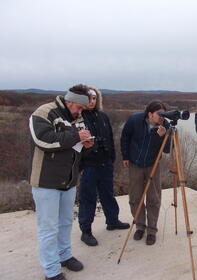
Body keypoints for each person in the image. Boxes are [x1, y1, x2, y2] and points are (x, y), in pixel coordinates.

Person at [29, 86, 94, 280]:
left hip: (69, 180)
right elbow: (43, 140)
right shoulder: (44, 112)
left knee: (66, 222)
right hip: (46, 181)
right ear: (70, 101)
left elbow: (76, 149)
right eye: (79, 108)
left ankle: (64, 255)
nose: (80, 112)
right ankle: (51, 269)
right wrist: (76, 136)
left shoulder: (77, 118)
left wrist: (87, 145)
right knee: (48, 227)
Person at [78, 85, 130, 247]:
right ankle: (86, 231)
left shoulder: (102, 117)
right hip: (88, 165)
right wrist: (79, 167)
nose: (91, 101)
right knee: (88, 198)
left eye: (94, 98)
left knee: (108, 194)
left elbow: (109, 138)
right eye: (88, 98)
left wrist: (112, 158)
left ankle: (112, 221)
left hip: (105, 163)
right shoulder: (78, 118)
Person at [120, 101, 170, 245]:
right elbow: (125, 138)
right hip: (135, 162)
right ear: (150, 114)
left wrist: (163, 136)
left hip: (153, 164)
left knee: (153, 197)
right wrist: (125, 156)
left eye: (164, 114)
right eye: (159, 114)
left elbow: (167, 150)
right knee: (136, 196)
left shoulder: (164, 125)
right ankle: (140, 226)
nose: (162, 117)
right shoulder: (134, 120)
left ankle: (152, 230)